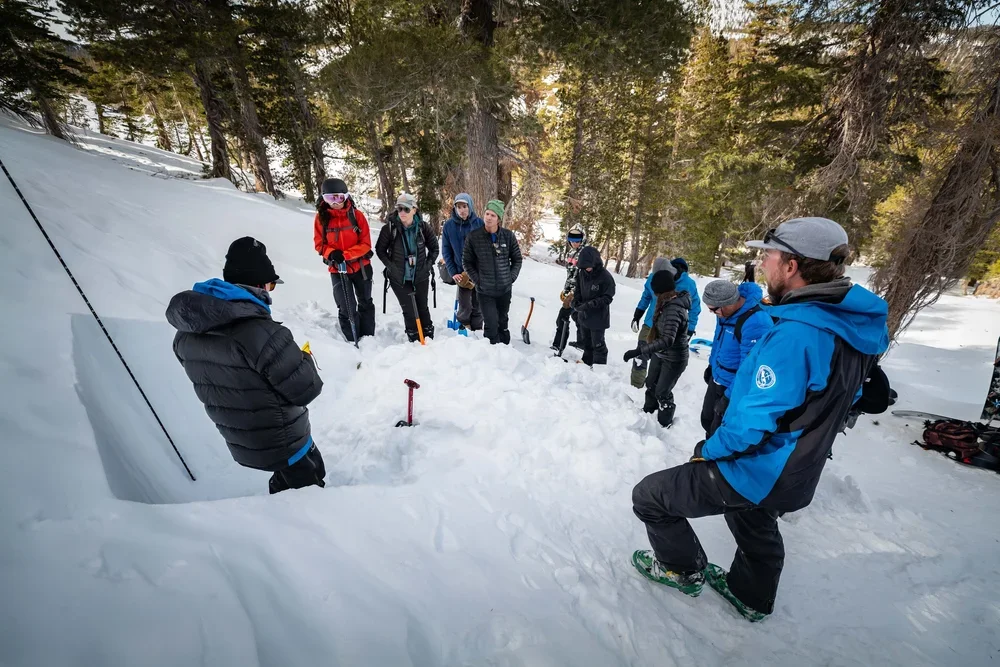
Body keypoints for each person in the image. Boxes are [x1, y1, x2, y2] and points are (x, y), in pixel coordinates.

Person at [631, 217, 889, 621]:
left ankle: (682, 571)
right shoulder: (854, 325)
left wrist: (707, 450)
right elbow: (851, 394)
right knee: (752, 516)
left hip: (762, 465)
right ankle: (751, 595)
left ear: (791, 265)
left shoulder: (799, 334)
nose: (763, 263)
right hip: (799, 469)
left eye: (768, 255)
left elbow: (752, 424)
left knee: (650, 497)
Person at [166, 237, 326, 494]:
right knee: (309, 488)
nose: (271, 291)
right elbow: (306, 390)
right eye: (272, 284)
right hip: (283, 441)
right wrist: (303, 359)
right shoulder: (262, 334)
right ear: (260, 285)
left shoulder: (186, 333)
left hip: (243, 442)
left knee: (293, 476)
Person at [701, 278, 773, 438]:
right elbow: (718, 340)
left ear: (727, 303)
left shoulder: (756, 322)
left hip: (733, 387)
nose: (712, 313)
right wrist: (712, 366)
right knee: (707, 420)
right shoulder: (724, 314)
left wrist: (729, 397)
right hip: (718, 377)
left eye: (713, 310)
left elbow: (751, 367)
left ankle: (711, 460)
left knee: (720, 432)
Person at [623, 270, 690, 427]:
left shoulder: (673, 309)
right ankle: (648, 413)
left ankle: (663, 424)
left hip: (674, 358)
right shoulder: (664, 303)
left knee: (662, 391)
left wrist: (640, 350)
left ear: (661, 290)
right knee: (651, 383)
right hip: (661, 354)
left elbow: (667, 340)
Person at [314, 177, 375, 341]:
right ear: (324, 199)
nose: (335, 202)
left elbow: (366, 244)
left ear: (346, 197)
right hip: (337, 269)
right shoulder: (321, 218)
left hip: (361, 266)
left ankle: (368, 338)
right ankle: (351, 339)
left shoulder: (357, 216)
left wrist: (345, 255)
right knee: (346, 306)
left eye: (339, 197)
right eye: (330, 198)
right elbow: (319, 244)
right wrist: (331, 253)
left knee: (365, 302)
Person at [375, 193, 439, 342]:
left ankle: (429, 338)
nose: (402, 212)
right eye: (399, 209)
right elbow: (380, 250)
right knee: (409, 310)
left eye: (406, 209)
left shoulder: (423, 228)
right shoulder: (389, 229)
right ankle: (414, 340)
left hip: (420, 275)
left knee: (422, 307)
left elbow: (434, 249)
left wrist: (426, 266)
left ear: (414, 210)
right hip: (399, 277)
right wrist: (392, 268)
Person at [462, 199, 523, 345]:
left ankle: (506, 351)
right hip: (485, 291)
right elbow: (467, 262)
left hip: (504, 289)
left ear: (499, 219)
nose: (488, 217)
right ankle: (493, 355)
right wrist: (478, 280)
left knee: (503, 321)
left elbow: (517, 260)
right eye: (487, 213)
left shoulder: (508, 236)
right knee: (491, 322)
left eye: (493, 215)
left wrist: (511, 277)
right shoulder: (474, 237)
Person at [630, 257, 678, 387]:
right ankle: (636, 385)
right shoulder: (652, 277)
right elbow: (646, 296)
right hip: (650, 323)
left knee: (660, 357)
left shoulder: (684, 283)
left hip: (668, 327)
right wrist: (637, 314)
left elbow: (693, 308)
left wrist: (689, 328)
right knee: (641, 352)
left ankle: (655, 387)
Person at [441, 193, 485, 331]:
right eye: (458, 207)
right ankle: (463, 326)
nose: (462, 210)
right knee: (465, 304)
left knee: (478, 304)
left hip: (477, 271)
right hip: (461, 272)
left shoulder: (479, 224)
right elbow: (446, 251)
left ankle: (477, 329)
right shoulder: (449, 226)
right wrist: (453, 272)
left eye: (464, 206)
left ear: (470, 206)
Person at [572, 246, 616, 365]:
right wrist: (576, 301)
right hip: (584, 315)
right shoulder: (582, 273)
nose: (586, 269)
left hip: (598, 317)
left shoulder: (605, 277)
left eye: (588, 266)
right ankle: (587, 362)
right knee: (587, 341)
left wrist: (591, 304)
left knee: (597, 343)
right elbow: (578, 289)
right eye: (584, 267)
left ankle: (599, 367)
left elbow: (608, 297)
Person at [552, 225, 586, 352]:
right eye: (571, 240)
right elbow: (570, 274)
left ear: (583, 239)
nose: (574, 243)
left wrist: (574, 292)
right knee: (577, 316)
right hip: (571, 290)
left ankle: (558, 345)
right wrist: (566, 289)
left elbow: (583, 276)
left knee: (563, 316)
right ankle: (583, 342)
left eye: (577, 240)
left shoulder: (585, 253)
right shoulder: (572, 252)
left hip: (578, 292)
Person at [670, 257, 702, 341]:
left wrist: (690, 329)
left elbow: (695, 307)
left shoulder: (689, 284)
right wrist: (690, 328)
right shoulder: (689, 283)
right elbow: (695, 307)